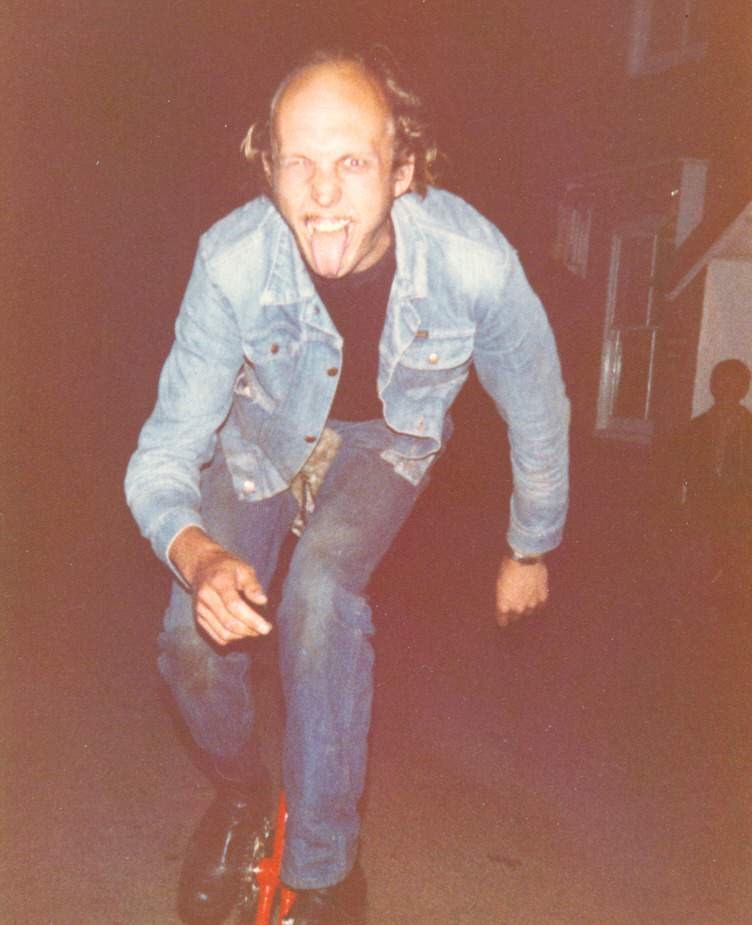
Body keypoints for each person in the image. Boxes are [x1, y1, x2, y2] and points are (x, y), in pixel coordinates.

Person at [125, 46, 569, 925]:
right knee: (187, 636)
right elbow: (164, 450)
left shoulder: (474, 261)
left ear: (403, 169)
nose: (323, 192)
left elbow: (537, 404)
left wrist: (531, 544)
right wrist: (200, 554)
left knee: (321, 593)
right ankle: (244, 795)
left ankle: (324, 867)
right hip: (258, 437)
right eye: (299, 161)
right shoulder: (231, 260)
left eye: (353, 162)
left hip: (385, 443)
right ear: (268, 168)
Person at [673, 358, 752, 610]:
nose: (727, 389)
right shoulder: (697, 427)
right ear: (712, 386)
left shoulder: (749, 429)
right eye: (721, 383)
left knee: (735, 574)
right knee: (696, 570)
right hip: (702, 510)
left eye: (734, 384)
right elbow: (682, 470)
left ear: (744, 389)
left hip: (739, 513)